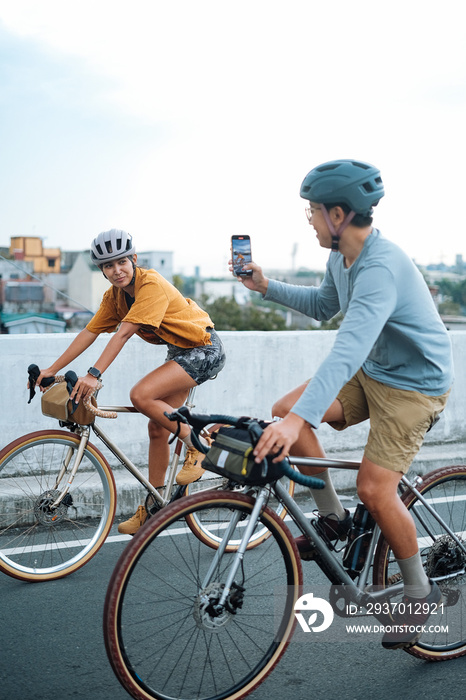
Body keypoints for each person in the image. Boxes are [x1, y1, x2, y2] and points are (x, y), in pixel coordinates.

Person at [235, 159, 453, 650]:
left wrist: (295, 423)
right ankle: (332, 519)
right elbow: (323, 306)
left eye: (312, 211)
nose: (308, 220)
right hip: (374, 372)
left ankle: (418, 592)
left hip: (414, 386)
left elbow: (346, 348)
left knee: (375, 489)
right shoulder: (342, 257)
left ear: (337, 215)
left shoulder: (381, 266)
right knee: (286, 406)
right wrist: (265, 287)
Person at [37, 229, 226, 535]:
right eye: (108, 266)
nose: (116, 270)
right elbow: (90, 332)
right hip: (180, 353)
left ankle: (198, 446)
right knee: (157, 425)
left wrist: (93, 374)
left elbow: (123, 334)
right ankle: (157, 506)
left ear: (134, 259)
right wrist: (52, 368)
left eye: (121, 262)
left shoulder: (150, 284)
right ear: (102, 270)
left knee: (140, 395)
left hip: (204, 349)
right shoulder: (114, 297)